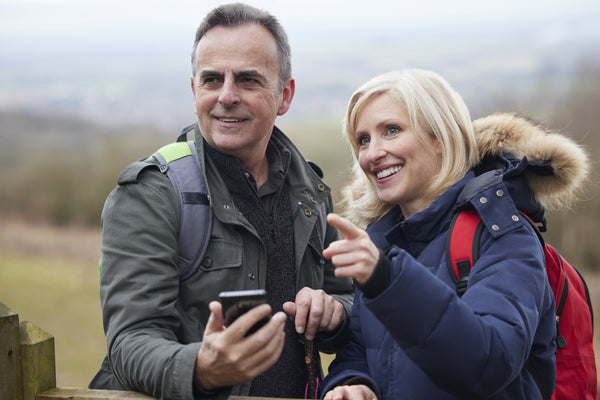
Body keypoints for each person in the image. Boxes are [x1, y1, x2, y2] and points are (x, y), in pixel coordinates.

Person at [89, 3, 353, 399]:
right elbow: (130, 342)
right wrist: (202, 369)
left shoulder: (310, 192)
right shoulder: (152, 194)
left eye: (247, 80)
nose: (227, 96)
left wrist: (334, 313)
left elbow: (345, 298)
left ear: (284, 95)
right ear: (195, 90)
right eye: (212, 80)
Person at [319, 69, 588, 399]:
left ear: (439, 138)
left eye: (391, 130)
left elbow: (488, 364)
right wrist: (353, 385)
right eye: (363, 139)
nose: (372, 153)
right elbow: (359, 351)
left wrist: (388, 281)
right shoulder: (380, 241)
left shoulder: (503, 235)